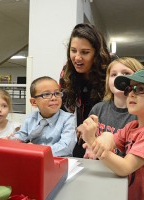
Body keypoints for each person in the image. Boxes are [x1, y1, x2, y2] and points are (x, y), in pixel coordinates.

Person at [77, 69, 144, 199]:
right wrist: (104, 137)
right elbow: (111, 139)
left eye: (140, 89)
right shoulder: (132, 126)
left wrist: (91, 140)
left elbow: (125, 167)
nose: (130, 94)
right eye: (129, 89)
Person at [59, 23, 111, 157]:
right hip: (77, 135)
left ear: (97, 53)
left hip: (105, 136)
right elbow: (64, 106)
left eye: (85, 52)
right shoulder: (67, 72)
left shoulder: (109, 73)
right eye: (73, 50)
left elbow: (115, 110)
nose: (77, 57)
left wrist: (88, 125)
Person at [84, 57, 144, 158]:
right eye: (113, 75)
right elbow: (89, 138)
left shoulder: (142, 114)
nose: (118, 78)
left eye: (126, 73)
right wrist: (90, 146)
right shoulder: (98, 109)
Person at [12, 76, 77, 157]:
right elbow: (21, 136)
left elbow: (66, 147)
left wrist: (38, 150)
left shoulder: (68, 119)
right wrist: (11, 140)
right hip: (34, 159)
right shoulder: (30, 118)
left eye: (57, 93)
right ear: (34, 102)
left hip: (59, 162)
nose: (54, 98)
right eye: (46, 94)